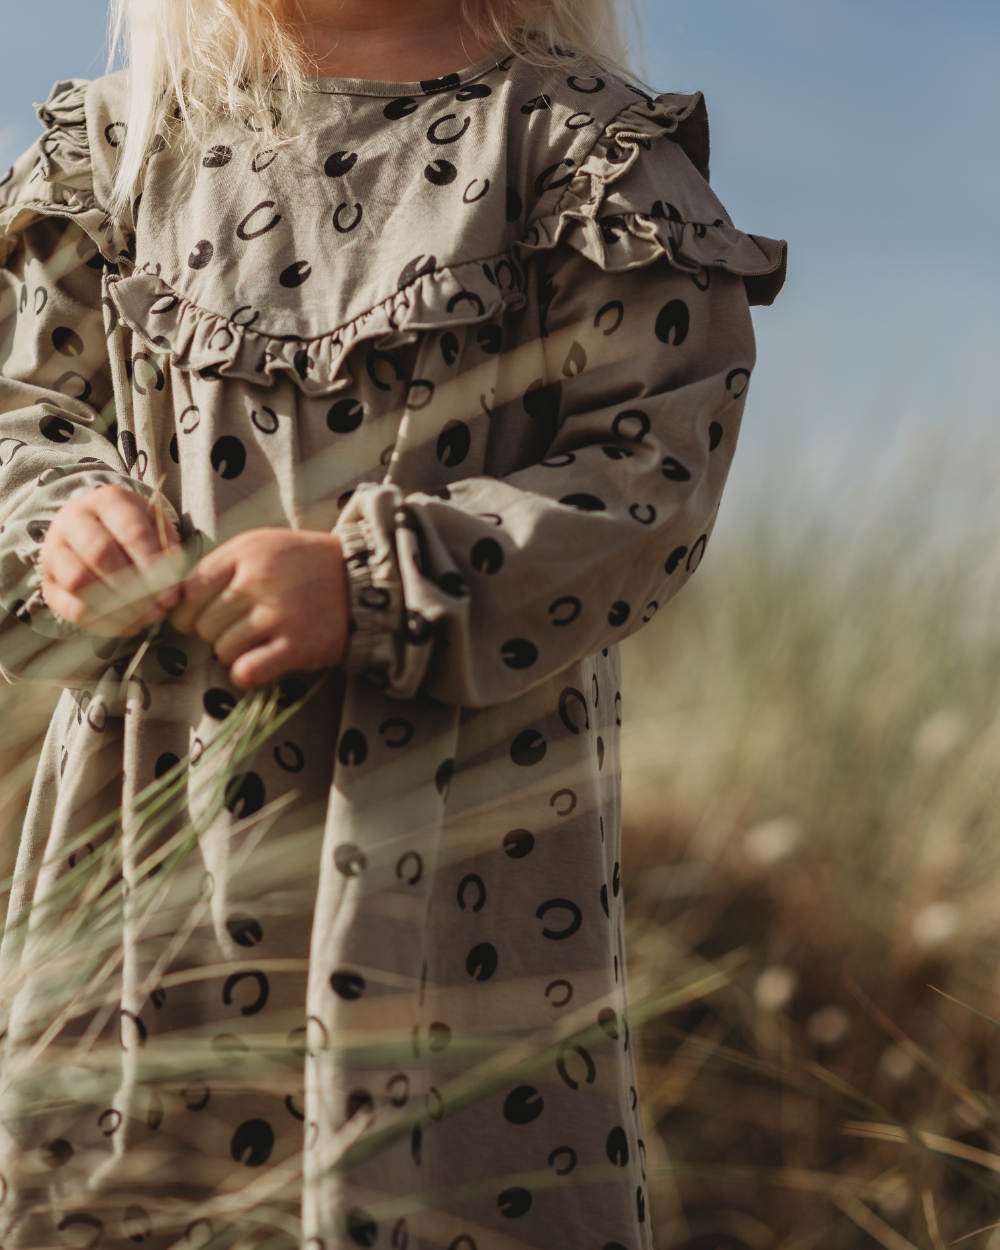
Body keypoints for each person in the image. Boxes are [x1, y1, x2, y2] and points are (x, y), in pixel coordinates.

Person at [0, 0, 785, 1245]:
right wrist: (65, 518)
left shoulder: (580, 151)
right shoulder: (127, 141)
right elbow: (26, 407)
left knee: (447, 1190)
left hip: (461, 844)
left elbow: (652, 478)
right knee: (144, 1183)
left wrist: (381, 579)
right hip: (154, 825)